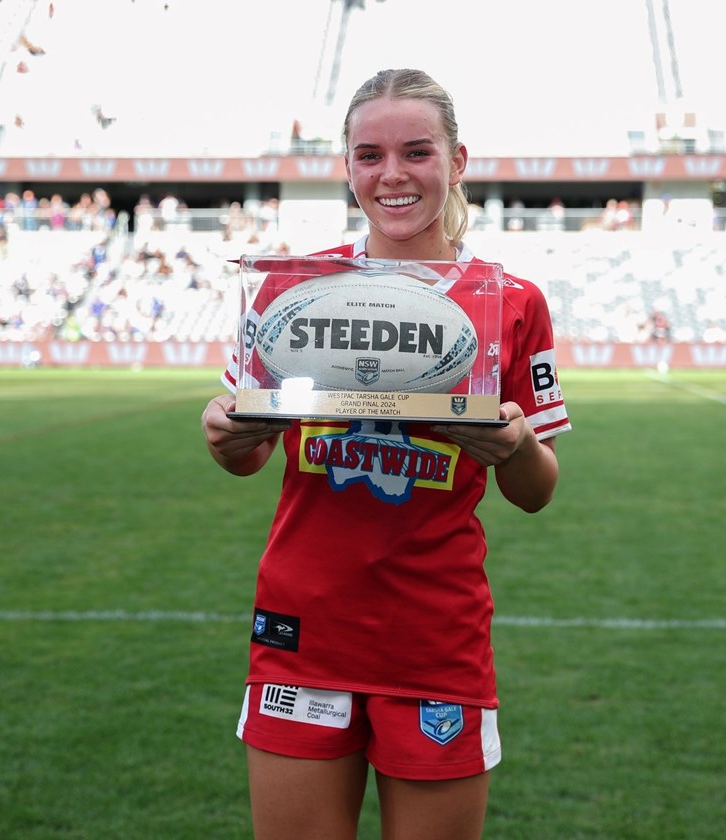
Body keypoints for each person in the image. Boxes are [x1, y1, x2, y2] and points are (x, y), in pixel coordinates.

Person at [200, 68, 571, 840]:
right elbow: (248, 457)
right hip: (303, 628)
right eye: (370, 155)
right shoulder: (288, 291)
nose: (392, 174)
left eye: (416, 152)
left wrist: (513, 447)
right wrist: (226, 437)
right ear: (347, 166)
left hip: (435, 637)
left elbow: (536, 490)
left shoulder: (509, 301)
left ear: (457, 161)